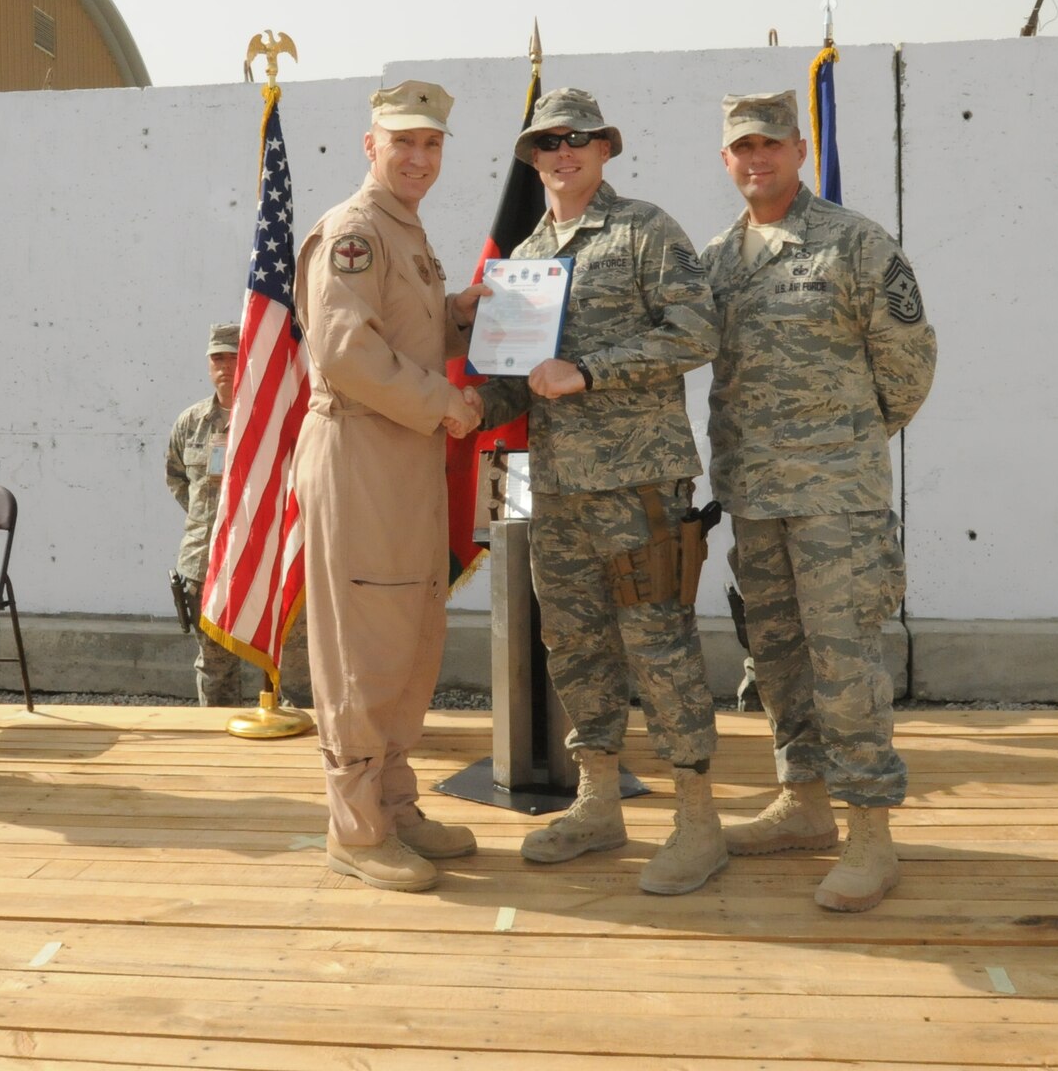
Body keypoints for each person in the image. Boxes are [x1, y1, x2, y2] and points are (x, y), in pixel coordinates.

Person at [471, 88, 726, 896]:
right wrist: (468, 404)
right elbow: (519, 383)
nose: (563, 152)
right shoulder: (526, 257)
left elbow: (697, 331)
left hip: (639, 485)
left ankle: (697, 819)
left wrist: (590, 370)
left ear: (606, 148)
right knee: (573, 646)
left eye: (579, 139)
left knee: (659, 646)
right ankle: (597, 800)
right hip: (556, 489)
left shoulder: (645, 230)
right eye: (547, 143)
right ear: (534, 157)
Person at [703, 90, 937, 912]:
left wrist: (843, 445)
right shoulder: (718, 261)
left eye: (771, 144)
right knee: (777, 658)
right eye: (741, 148)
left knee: (846, 663)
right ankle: (803, 803)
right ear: (725, 160)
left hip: (836, 499)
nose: (756, 159)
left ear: (800, 150)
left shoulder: (856, 244)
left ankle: (871, 831)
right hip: (754, 498)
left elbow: (907, 365)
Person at [294, 79, 486, 892]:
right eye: (403, 140)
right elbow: (346, 353)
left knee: (409, 625)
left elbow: (408, 327)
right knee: (363, 641)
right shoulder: (357, 233)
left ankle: (394, 800)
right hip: (361, 451)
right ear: (369, 144)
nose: (419, 156)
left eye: (432, 143)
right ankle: (358, 831)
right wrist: (444, 400)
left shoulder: (406, 232)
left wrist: (478, 308)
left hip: (402, 455)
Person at [166, 320, 311, 707]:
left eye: (233, 357)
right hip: (205, 562)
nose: (224, 366)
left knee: (292, 668)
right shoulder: (191, 422)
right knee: (215, 667)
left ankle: (300, 745)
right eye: (217, 358)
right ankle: (218, 750)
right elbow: (178, 480)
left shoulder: (274, 420)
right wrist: (218, 526)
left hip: (269, 560)